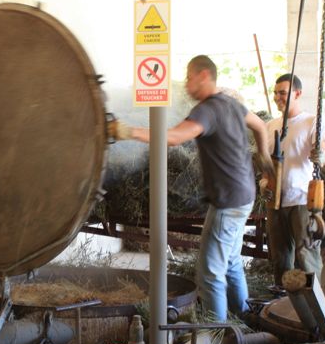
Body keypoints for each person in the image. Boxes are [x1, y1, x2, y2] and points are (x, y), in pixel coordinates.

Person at [111, 55, 273, 321]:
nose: (186, 83)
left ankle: (216, 332)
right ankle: (243, 316)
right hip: (244, 195)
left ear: (204, 76)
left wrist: (127, 132)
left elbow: (174, 138)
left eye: (189, 76)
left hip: (228, 200)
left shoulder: (207, 110)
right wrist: (264, 157)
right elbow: (259, 126)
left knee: (210, 271)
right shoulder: (232, 104)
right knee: (231, 261)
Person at [260, 73, 325, 286]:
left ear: (297, 94)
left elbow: (323, 152)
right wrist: (263, 182)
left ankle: (320, 303)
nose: (277, 97)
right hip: (276, 200)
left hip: (301, 200)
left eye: (282, 93)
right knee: (280, 257)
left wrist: (321, 157)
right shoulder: (271, 126)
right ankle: (282, 300)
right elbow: (267, 162)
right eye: (275, 93)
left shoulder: (311, 122)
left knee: (306, 255)